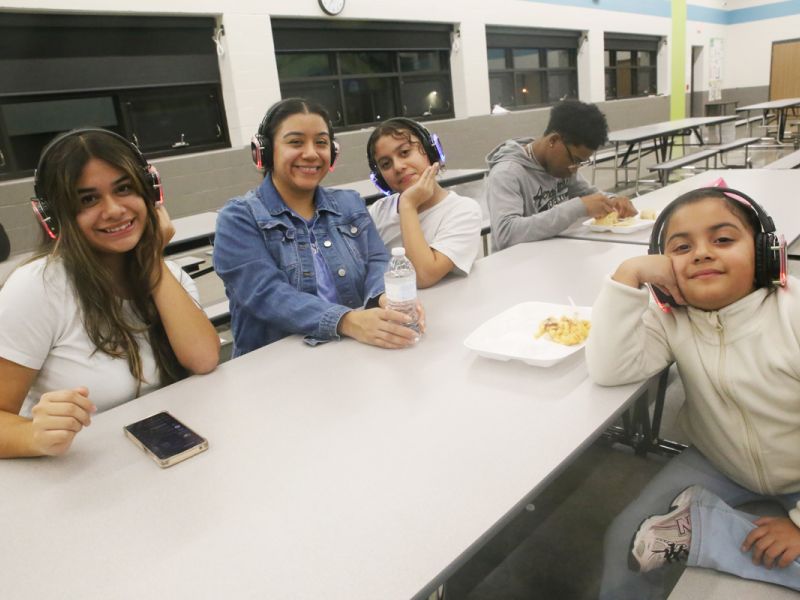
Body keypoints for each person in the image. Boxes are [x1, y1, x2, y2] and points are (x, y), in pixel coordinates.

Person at [585, 186, 800, 598]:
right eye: (681, 248)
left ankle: (706, 532)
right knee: (625, 539)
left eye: (723, 239)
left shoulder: (792, 312)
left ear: (766, 250)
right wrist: (629, 274)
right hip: (720, 460)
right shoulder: (672, 319)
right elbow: (612, 368)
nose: (702, 253)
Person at [0, 128, 220, 459]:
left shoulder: (168, 275)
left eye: (125, 189)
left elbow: (203, 359)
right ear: (53, 217)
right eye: (87, 199)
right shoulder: (37, 288)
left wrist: (151, 262)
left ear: (152, 193)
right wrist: (33, 435)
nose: (114, 209)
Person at [213, 98, 424, 356]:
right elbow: (267, 294)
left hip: (351, 353)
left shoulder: (349, 203)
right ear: (265, 152)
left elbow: (377, 259)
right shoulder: (238, 218)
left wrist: (385, 298)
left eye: (321, 143)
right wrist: (348, 321)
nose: (312, 153)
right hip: (275, 370)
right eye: (295, 142)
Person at [485, 99, 636, 251]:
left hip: (551, 257)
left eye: (580, 163)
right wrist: (577, 208)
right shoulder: (507, 173)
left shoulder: (561, 166)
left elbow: (588, 195)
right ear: (553, 140)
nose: (574, 169)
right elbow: (506, 234)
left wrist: (612, 201)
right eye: (575, 160)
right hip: (515, 266)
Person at [365, 117, 483, 288]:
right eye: (385, 164)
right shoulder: (378, 212)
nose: (398, 167)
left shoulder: (464, 210)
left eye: (405, 152)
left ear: (431, 151)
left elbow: (423, 276)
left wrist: (408, 205)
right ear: (379, 179)